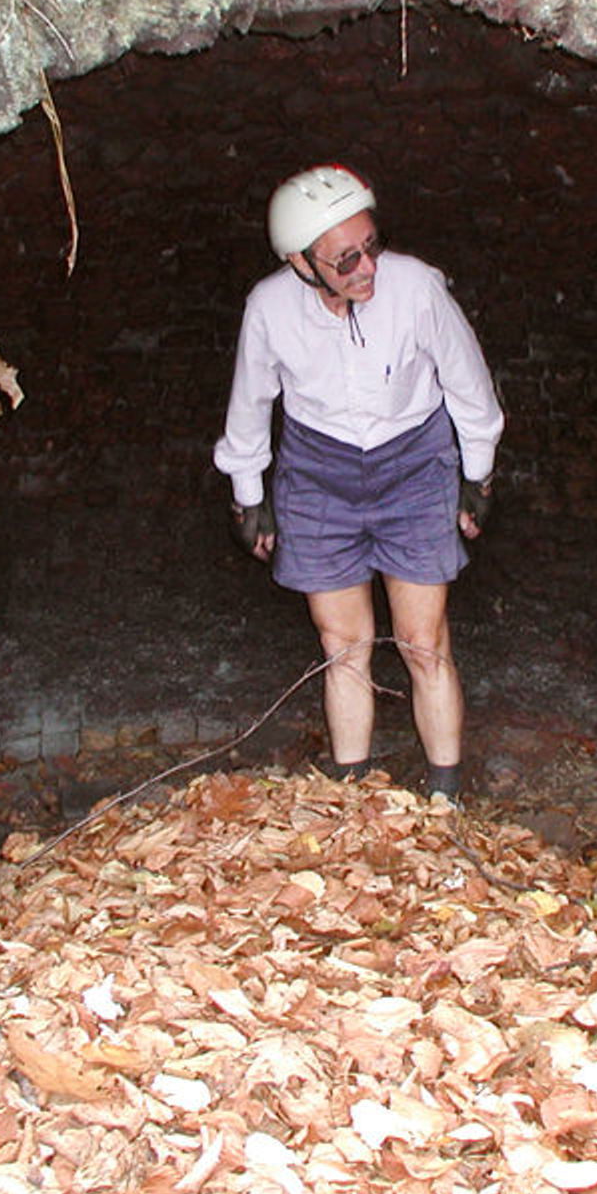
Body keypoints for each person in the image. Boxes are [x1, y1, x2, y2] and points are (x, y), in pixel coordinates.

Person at [216, 164, 505, 802]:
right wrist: (249, 496)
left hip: (415, 465)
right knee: (343, 644)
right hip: (320, 474)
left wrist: (476, 475)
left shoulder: (418, 288)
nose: (367, 266)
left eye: (371, 245)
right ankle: (352, 803)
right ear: (300, 261)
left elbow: (469, 389)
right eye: (345, 258)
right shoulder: (269, 307)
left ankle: (445, 800)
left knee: (422, 641)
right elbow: (250, 403)